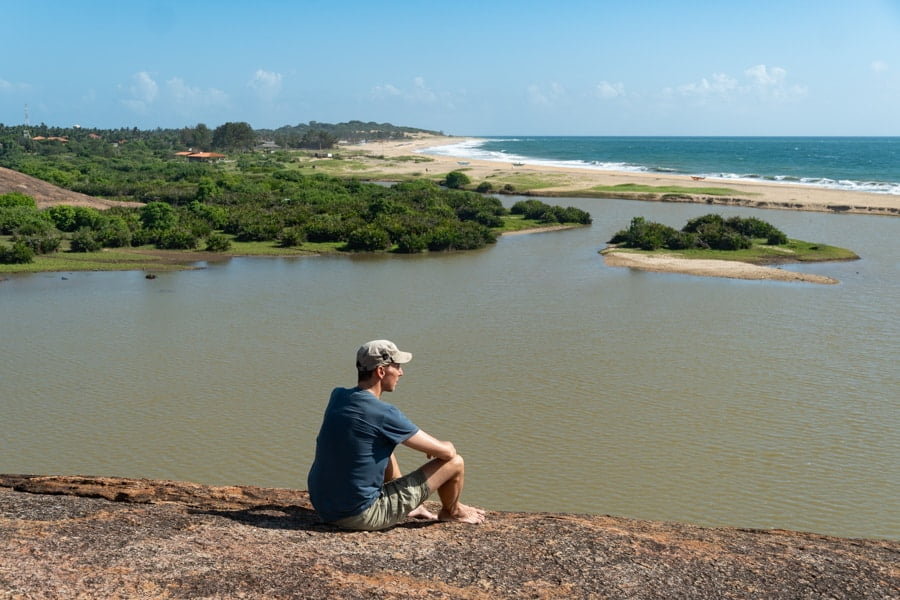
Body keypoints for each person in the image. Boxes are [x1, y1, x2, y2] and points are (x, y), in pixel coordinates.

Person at [307, 339, 485, 531]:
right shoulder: (383, 413)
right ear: (381, 371)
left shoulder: (338, 396)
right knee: (455, 463)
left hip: (323, 505)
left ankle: (411, 507)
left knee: (381, 442)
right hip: (358, 515)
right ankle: (452, 511)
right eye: (397, 366)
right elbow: (448, 453)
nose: (401, 372)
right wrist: (442, 446)